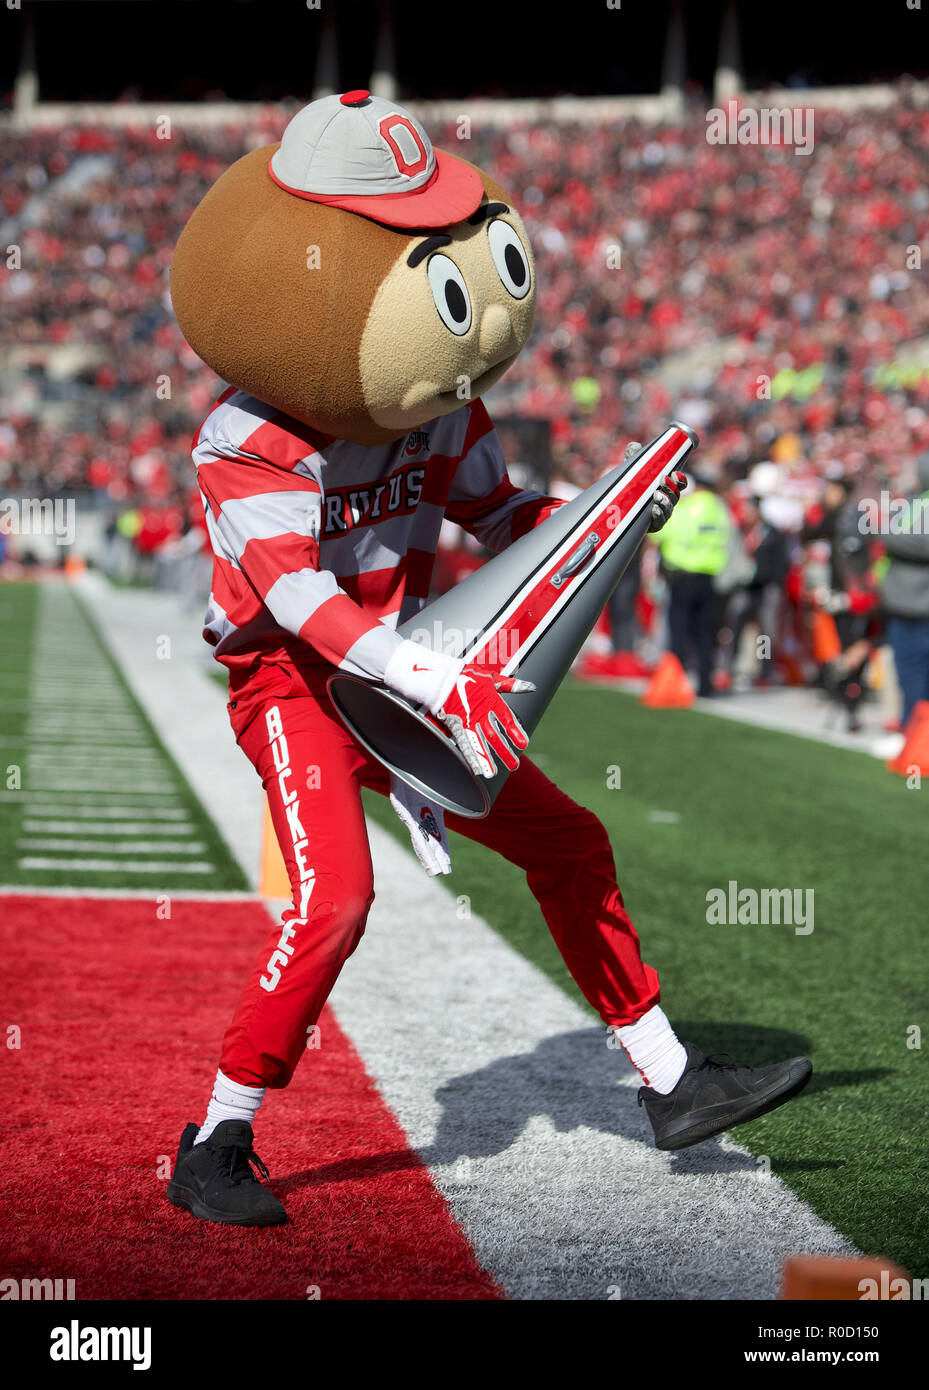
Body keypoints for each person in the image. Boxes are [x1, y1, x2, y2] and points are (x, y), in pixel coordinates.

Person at [165, 93, 812, 1227]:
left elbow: (501, 514)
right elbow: (300, 601)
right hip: (299, 682)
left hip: (412, 663)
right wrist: (429, 681)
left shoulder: (437, 410)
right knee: (335, 902)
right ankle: (217, 1132)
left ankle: (669, 1078)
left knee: (571, 839)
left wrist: (606, 517)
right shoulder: (246, 436)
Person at [654, 465, 732, 696]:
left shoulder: (686, 508)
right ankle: (706, 686)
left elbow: (660, 534)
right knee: (706, 634)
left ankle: (675, 683)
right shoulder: (721, 510)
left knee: (678, 631)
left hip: (681, 577)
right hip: (710, 578)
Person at [882, 453, 929, 730]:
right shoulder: (916, 503)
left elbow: (922, 543)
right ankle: (912, 735)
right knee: (908, 674)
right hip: (904, 607)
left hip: (921, 609)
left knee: (917, 675)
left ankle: (915, 738)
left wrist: (889, 533)